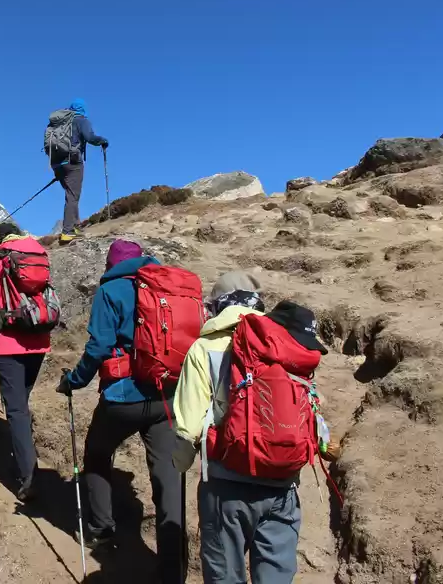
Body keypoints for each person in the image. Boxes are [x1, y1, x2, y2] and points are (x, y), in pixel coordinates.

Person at [171, 274, 340, 584]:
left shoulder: (205, 347)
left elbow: (188, 427)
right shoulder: (285, 340)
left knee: (226, 576)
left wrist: (179, 465)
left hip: (226, 484)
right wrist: (325, 445)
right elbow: (309, 404)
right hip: (282, 482)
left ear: (216, 307)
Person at [54, 239, 187, 584]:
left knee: (97, 453)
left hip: (123, 396)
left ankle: (101, 526)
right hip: (166, 395)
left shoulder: (111, 289)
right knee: (168, 478)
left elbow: (98, 346)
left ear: (112, 263)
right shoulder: (166, 286)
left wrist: (74, 380)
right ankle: (173, 566)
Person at [0, 222, 54, 502]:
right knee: (22, 402)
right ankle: (24, 454)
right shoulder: (39, 255)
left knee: (15, 409)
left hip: (10, 344)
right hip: (39, 340)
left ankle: (29, 475)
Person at [48, 98, 107, 244]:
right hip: (73, 161)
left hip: (56, 164)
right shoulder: (81, 120)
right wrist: (103, 141)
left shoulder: (59, 123)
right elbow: (90, 137)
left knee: (71, 194)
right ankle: (67, 231)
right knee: (73, 196)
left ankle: (75, 226)